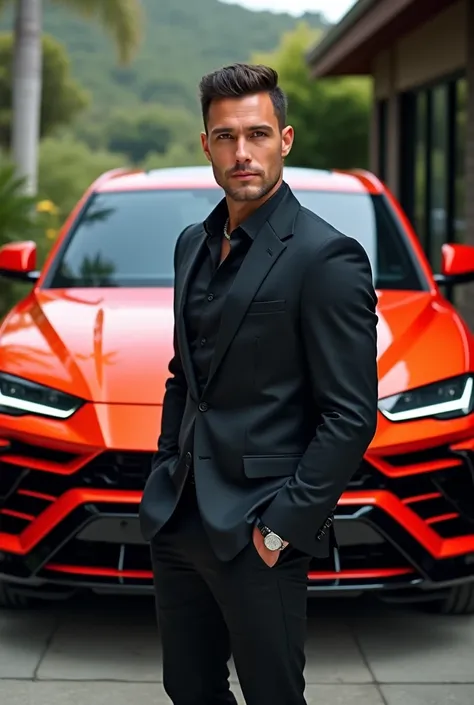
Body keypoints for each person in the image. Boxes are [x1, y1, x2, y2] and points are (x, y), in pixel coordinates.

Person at [139, 63, 378, 705]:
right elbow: (183, 375)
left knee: (273, 695)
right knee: (187, 690)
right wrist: (165, 468)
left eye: (258, 134)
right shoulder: (192, 243)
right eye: (225, 136)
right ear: (206, 145)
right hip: (179, 518)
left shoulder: (326, 256)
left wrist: (281, 528)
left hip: (258, 531)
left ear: (286, 139)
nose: (242, 153)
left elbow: (351, 415)